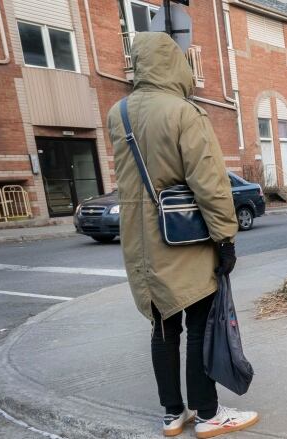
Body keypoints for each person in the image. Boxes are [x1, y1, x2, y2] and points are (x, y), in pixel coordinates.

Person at [107, 32, 258, 438]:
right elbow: (209, 181)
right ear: (175, 64)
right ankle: (208, 414)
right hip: (184, 239)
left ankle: (173, 414)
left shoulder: (116, 113)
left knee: (161, 326)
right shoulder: (183, 113)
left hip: (139, 241)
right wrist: (225, 238)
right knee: (199, 323)